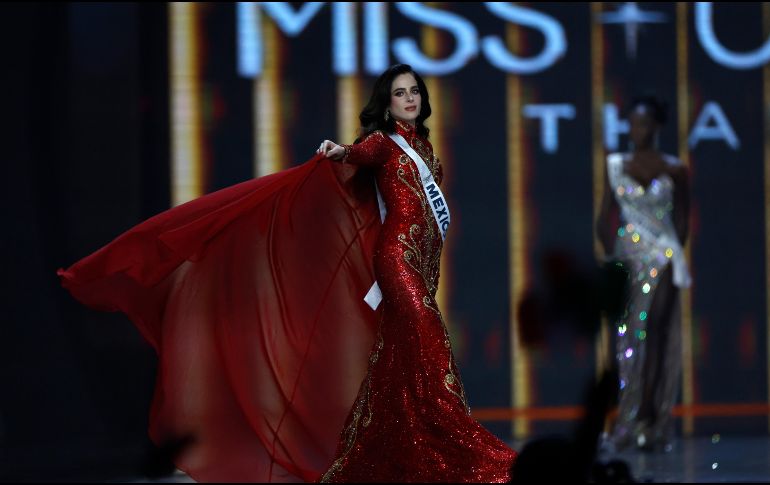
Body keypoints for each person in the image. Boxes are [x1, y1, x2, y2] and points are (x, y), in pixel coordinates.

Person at [58, 64, 516, 482]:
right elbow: (355, 153)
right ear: (387, 102)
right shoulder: (384, 143)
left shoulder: (424, 147)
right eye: (400, 93)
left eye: (414, 91)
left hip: (419, 263)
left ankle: (403, 450)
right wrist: (338, 151)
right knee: (429, 346)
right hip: (396, 262)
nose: (409, 99)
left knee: (404, 359)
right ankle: (451, 444)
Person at [596, 95, 691, 452]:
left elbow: (683, 217)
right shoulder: (616, 164)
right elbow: (604, 215)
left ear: (657, 127)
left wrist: (673, 249)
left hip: (663, 254)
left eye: (645, 124)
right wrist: (612, 256)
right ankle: (626, 419)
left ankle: (651, 419)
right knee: (625, 338)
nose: (639, 130)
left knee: (654, 333)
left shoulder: (675, 169)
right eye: (634, 124)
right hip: (626, 256)